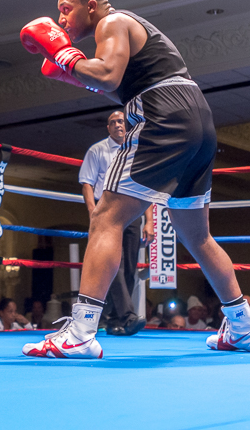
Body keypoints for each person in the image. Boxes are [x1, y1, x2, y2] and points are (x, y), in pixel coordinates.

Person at [19, 0, 250, 358]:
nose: (60, 19)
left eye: (65, 9)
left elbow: (107, 76)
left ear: (90, 5)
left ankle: (81, 333)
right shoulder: (127, 31)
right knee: (197, 236)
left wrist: (66, 55)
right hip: (198, 120)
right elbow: (115, 84)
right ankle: (244, 328)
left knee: (106, 217)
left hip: (163, 115)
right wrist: (69, 68)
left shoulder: (111, 23)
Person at [79, 110, 154, 336]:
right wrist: (93, 212)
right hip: (108, 211)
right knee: (114, 264)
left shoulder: (135, 150)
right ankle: (128, 316)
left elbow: (144, 187)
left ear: (127, 125)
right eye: (113, 122)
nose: (118, 125)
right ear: (108, 127)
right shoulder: (97, 150)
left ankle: (114, 320)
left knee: (129, 266)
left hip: (133, 210)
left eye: (121, 121)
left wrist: (150, 220)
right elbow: (87, 183)